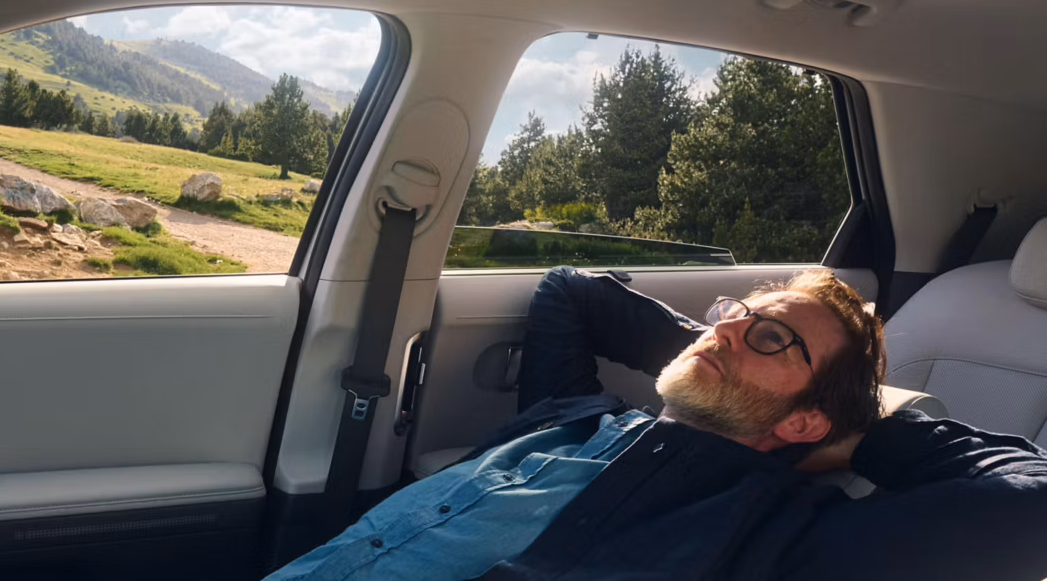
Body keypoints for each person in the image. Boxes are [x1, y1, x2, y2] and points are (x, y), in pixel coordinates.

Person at [268, 267, 1047, 581]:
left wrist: (867, 417)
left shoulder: (773, 533)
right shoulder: (574, 414)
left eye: (774, 337)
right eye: (734, 314)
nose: (728, 330)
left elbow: (1030, 504)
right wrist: (723, 352)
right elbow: (570, 291)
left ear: (808, 419)